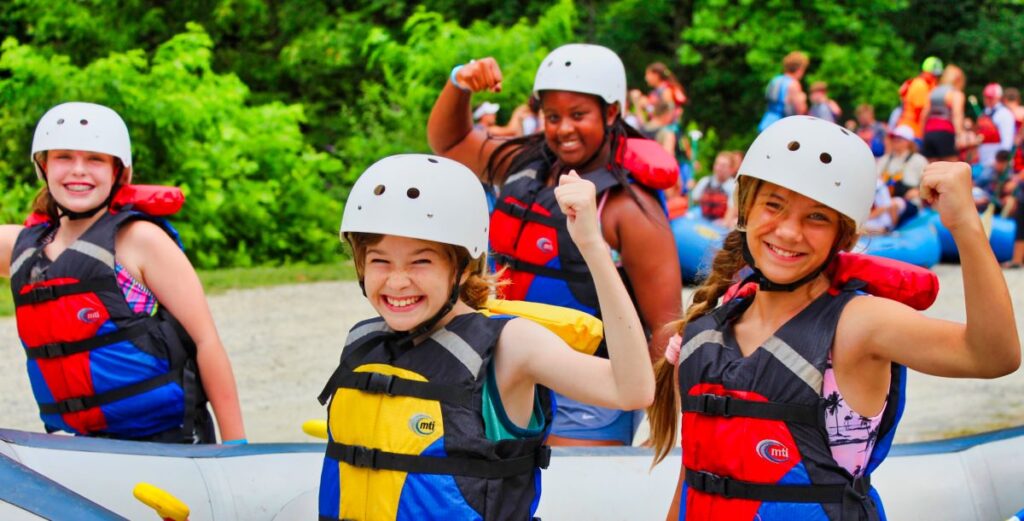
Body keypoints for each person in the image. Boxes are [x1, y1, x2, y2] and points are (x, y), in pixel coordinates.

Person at [645, 115, 1020, 520]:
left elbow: (993, 355)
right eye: (774, 205)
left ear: (846, 237)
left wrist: (965, 224)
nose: (789, 232)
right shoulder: (711, 328)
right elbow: (695, 479)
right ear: (745, 207)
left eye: (817, 217)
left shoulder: (859, 324)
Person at [317, 154, 654, 520]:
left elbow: (631, 390)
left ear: (464, 266)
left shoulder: (511, 346)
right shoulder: (365, 342)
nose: (397, 281)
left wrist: (592, 247)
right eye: (380, 261)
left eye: (421, 262)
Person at [427, 44, 682, 446]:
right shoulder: (523, 164)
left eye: (579, 115)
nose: (563, 129)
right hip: (507, 369)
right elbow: (450, 141)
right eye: (552, 116)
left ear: (611, 112)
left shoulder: (629, 209)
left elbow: (666, 328)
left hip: (591, 389)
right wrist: (460, 82)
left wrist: (662, 422)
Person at [0, 102, 245, 443]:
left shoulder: (140, 240)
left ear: (119, 171)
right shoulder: (22, 246)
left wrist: (235, 448)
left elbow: (206, 342)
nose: (78, 170)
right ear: (43, 166)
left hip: (166, 440)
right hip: (83, 445)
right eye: (64, 157)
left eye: (95, 159)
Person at [878, 124, 928, 225]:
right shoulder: (885, 159)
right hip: (886, 199)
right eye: (894, 138)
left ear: (908, 142)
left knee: (894, 205)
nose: (895, 141)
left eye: (899, 139)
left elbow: (928, 184)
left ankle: (890, 229)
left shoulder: (919, 160)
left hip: (908, 202)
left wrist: (919, 192)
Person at [922, 64, 967, 162]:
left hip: (929, 133)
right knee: (951, 169)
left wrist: (923, 134)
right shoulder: (956, 94)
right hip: (945, 133)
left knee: (932, 170)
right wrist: (959, 135)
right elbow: (957, 115)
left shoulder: (933, 92)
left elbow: (924, 115)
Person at [758, 51, 809, 132]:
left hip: (766, 122)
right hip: (782, 126)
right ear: (800, 69)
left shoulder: (775, 80)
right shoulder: (794, 84)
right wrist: (803, 98)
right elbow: (801, 110)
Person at [897, 56, 943, 140]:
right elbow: (921, 112)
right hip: (911, 131)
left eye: (937, 76)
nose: (935, 79)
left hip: (913, 130)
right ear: (925, 72)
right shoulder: (920, 85)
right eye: (933, 75)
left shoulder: (925, 85)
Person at [690, 151, 737, 223]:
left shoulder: (734, 187)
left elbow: (731, 211)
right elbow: (694, 199)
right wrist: (691, 188)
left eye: (723, 165)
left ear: (732, 169)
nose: (719, 168)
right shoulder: (705, 181)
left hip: (720, 225)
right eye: (717, 164)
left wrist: (725, 223)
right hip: (703, 220)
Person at [978, 83, 1015, 169]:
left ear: (998, 98)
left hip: (996, 163)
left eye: (991, 98)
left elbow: (1007, 140)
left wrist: (1001, 161)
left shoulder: (1004, 114)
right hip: (983, 161)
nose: (988, 100)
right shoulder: (985, 112)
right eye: (986, 97)